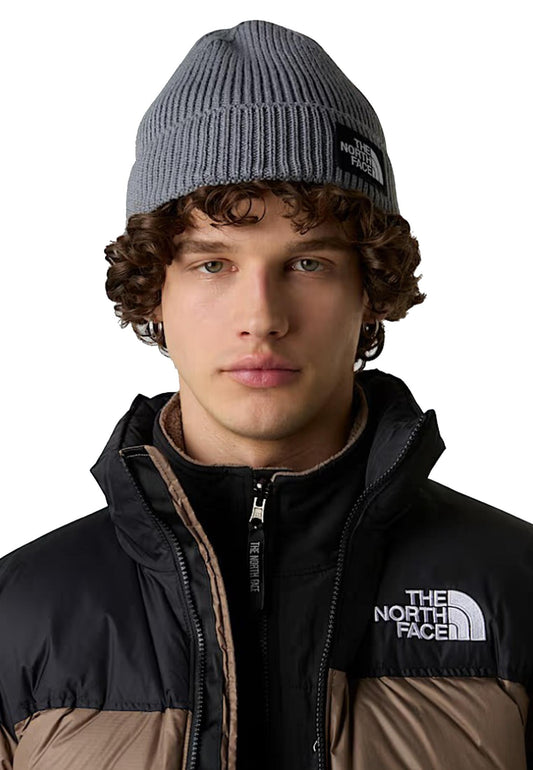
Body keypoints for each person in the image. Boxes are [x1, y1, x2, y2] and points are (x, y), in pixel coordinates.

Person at [1, 18, 532, 770]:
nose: (262, 316)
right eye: (212, 264)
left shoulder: (516, 588)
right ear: (153, 291)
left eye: (308, 263)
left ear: (370, 289)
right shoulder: (18, 613)